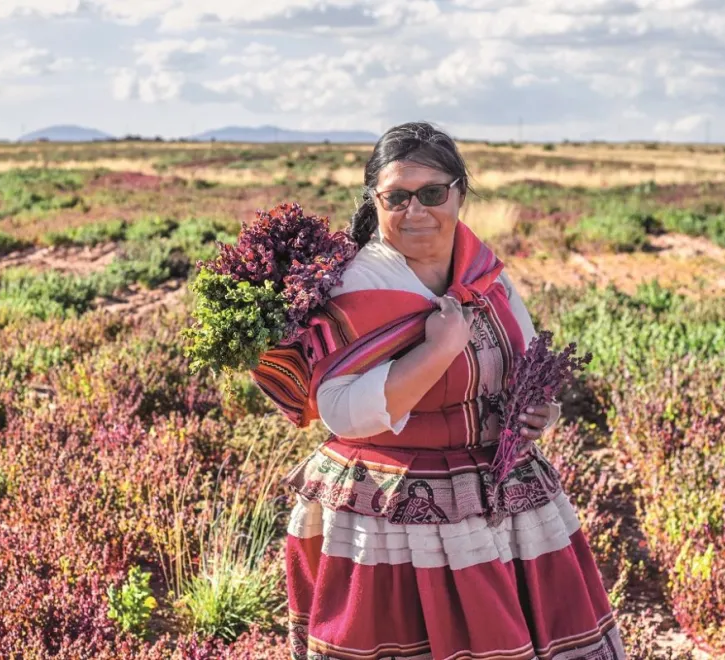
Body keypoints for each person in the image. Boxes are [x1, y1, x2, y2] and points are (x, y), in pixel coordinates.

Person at [252, 121, 625, 660]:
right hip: (394, 510)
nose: (416, 211)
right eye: (397, 197)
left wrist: (543, 412)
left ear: (459, 194)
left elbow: (527, 360)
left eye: (432, 194)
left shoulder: (484, 272)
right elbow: (341, 412)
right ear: (375, 200)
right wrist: (437, 351)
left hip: (499, 495)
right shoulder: (358, 283)